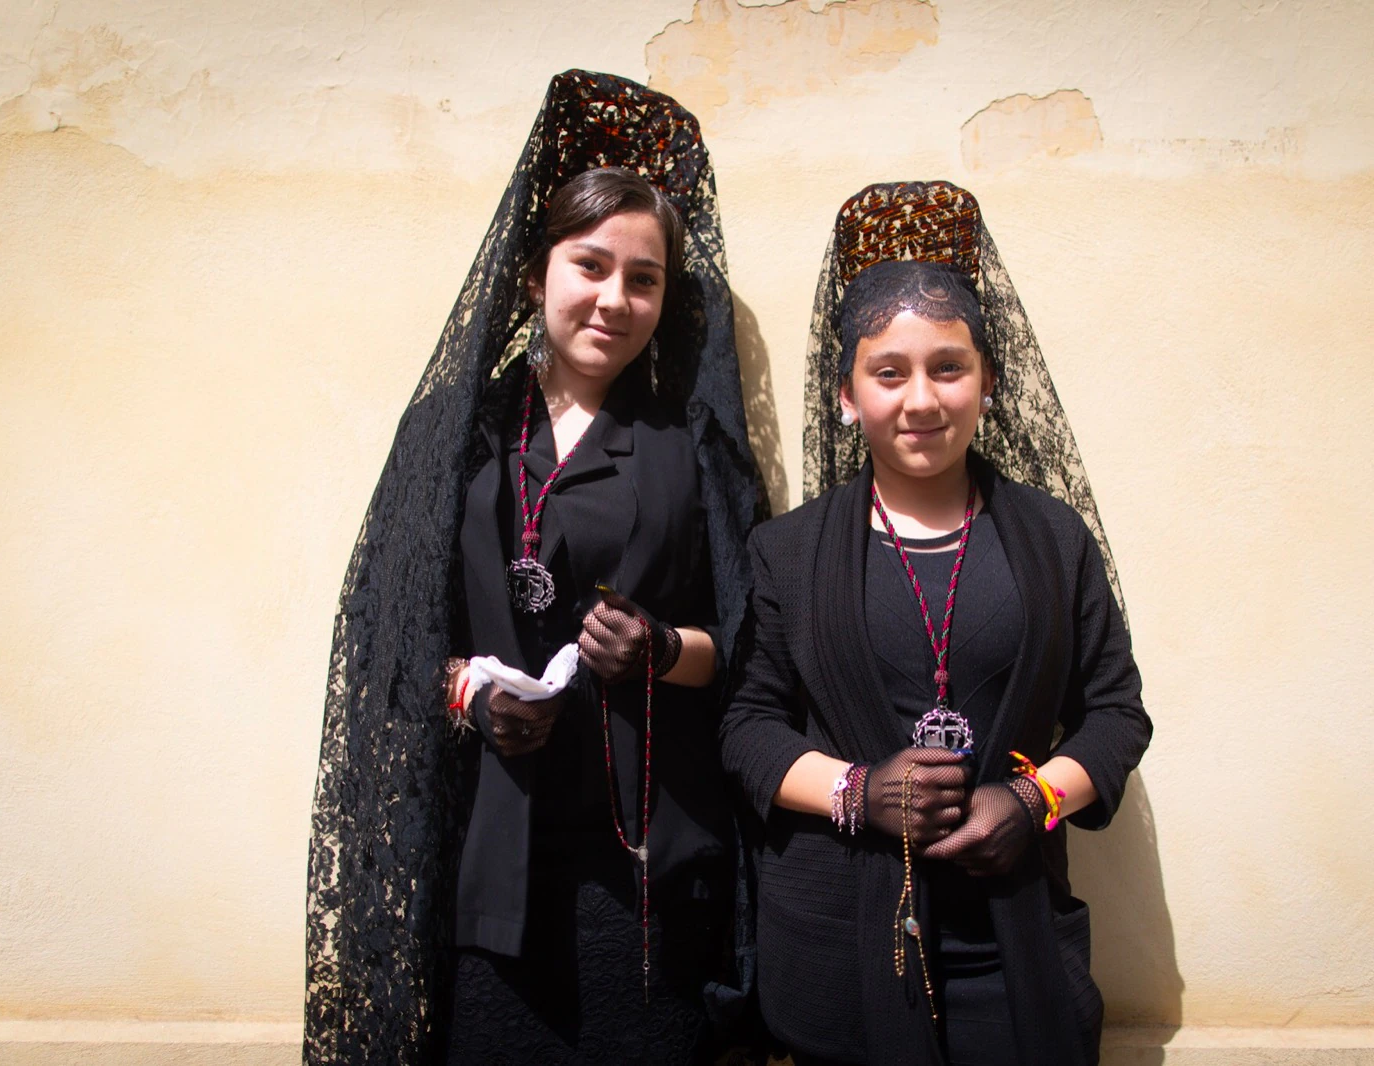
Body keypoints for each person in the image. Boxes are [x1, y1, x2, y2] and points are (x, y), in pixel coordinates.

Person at [304, 70, 766, 1065]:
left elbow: (752, 652)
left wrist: (661, 647)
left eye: (643, 279)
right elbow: (385, 640)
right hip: (489, 857)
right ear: (533, 274)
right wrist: (466, 689)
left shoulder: (691, 450)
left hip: (642, 865)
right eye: (589, 265)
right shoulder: (452, 435)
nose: (615, 298)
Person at [720, 181, 1151, 1066]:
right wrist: (856, 791)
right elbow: (746, 727)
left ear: (989, 382)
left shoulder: (1052, 539)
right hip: (842, 945)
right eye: (889, 373)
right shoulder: (788, 553)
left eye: (948, 367)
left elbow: (1116, 715)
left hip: (1012, 942)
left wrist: (1031, 802)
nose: (921, 399)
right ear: (846, 395)